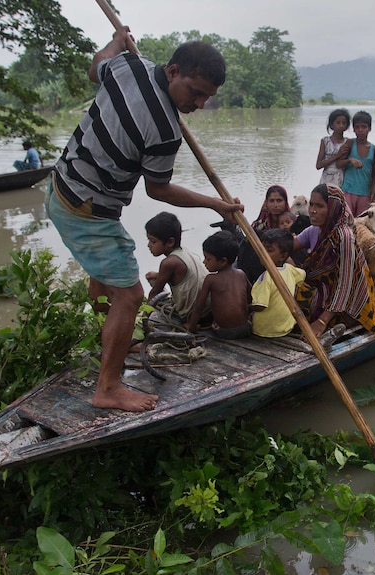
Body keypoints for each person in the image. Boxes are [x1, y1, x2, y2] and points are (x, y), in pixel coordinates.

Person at [45, 28, 243, 412]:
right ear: (172, 72)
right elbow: (159, 191)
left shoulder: (129, 66)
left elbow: (96, 66)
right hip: (88, 210)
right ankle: (108, 387)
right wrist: (217, 205)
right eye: (194, 92)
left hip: (61, 185)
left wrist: (117, 42)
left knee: (110, 275)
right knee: (131, 295)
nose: (199, 104)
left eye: (207, 97)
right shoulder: (165, 132)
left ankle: (113, 338)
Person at [293, 184, 375, 338]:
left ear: (333, 208)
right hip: (326, 291)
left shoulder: (344, 237)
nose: (312, 210)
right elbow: (292, 244)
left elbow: (345, 284)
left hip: (346, 302)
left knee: (298, 299)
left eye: (320, 206)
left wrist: (322, 321)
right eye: (312, 205)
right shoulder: (318, 228)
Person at [145, 212, 210, 323]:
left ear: (170, 242)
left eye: (153, 241)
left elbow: (154, 293)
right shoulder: (184, 252)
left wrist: (143, 314)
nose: (148, 245)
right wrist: (157, 275)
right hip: (208, 309)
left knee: (153, 307)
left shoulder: (168, 263)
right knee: (152, 276)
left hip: (194, 315)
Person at [185, 230, 251, 339]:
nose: (204, 262)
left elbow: (199, 306)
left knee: (213, 321)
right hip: (246, 328)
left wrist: (192, 327)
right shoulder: (241, 274)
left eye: (208, 259)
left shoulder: (211, 279)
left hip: (225, 332)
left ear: (223, 261)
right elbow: (250, 296)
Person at [250, 229, 307, 338]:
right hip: (286, 327)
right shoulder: (290, 269)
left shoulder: (266, 276)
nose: (263, 253)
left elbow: (260, 306)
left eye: (269, 250)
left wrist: (247, 308)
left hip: (265, 330)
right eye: (262, 249)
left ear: (282, 256)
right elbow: (302, 274)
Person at [337, 110, 375, 217]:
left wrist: (372, 192)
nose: (360, 130)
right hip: (348, 190)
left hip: (364, 193)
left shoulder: (374, 149)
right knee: (346, 220)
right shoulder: (350, 144)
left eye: (363, 127)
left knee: (361, 225)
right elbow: (339, 164)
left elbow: (374, 174)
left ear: (369, 129)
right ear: (354, 129)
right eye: (357, 127)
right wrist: (350, 160)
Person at [316, 108, 351, 187]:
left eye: (344, 123)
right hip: (326, 180)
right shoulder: (325, 141)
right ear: (331, 125)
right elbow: (318, 165)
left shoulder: (348, 142)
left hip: (341, 179)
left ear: (346, 126)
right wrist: (337, 156)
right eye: (338, 123)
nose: (341, 125)